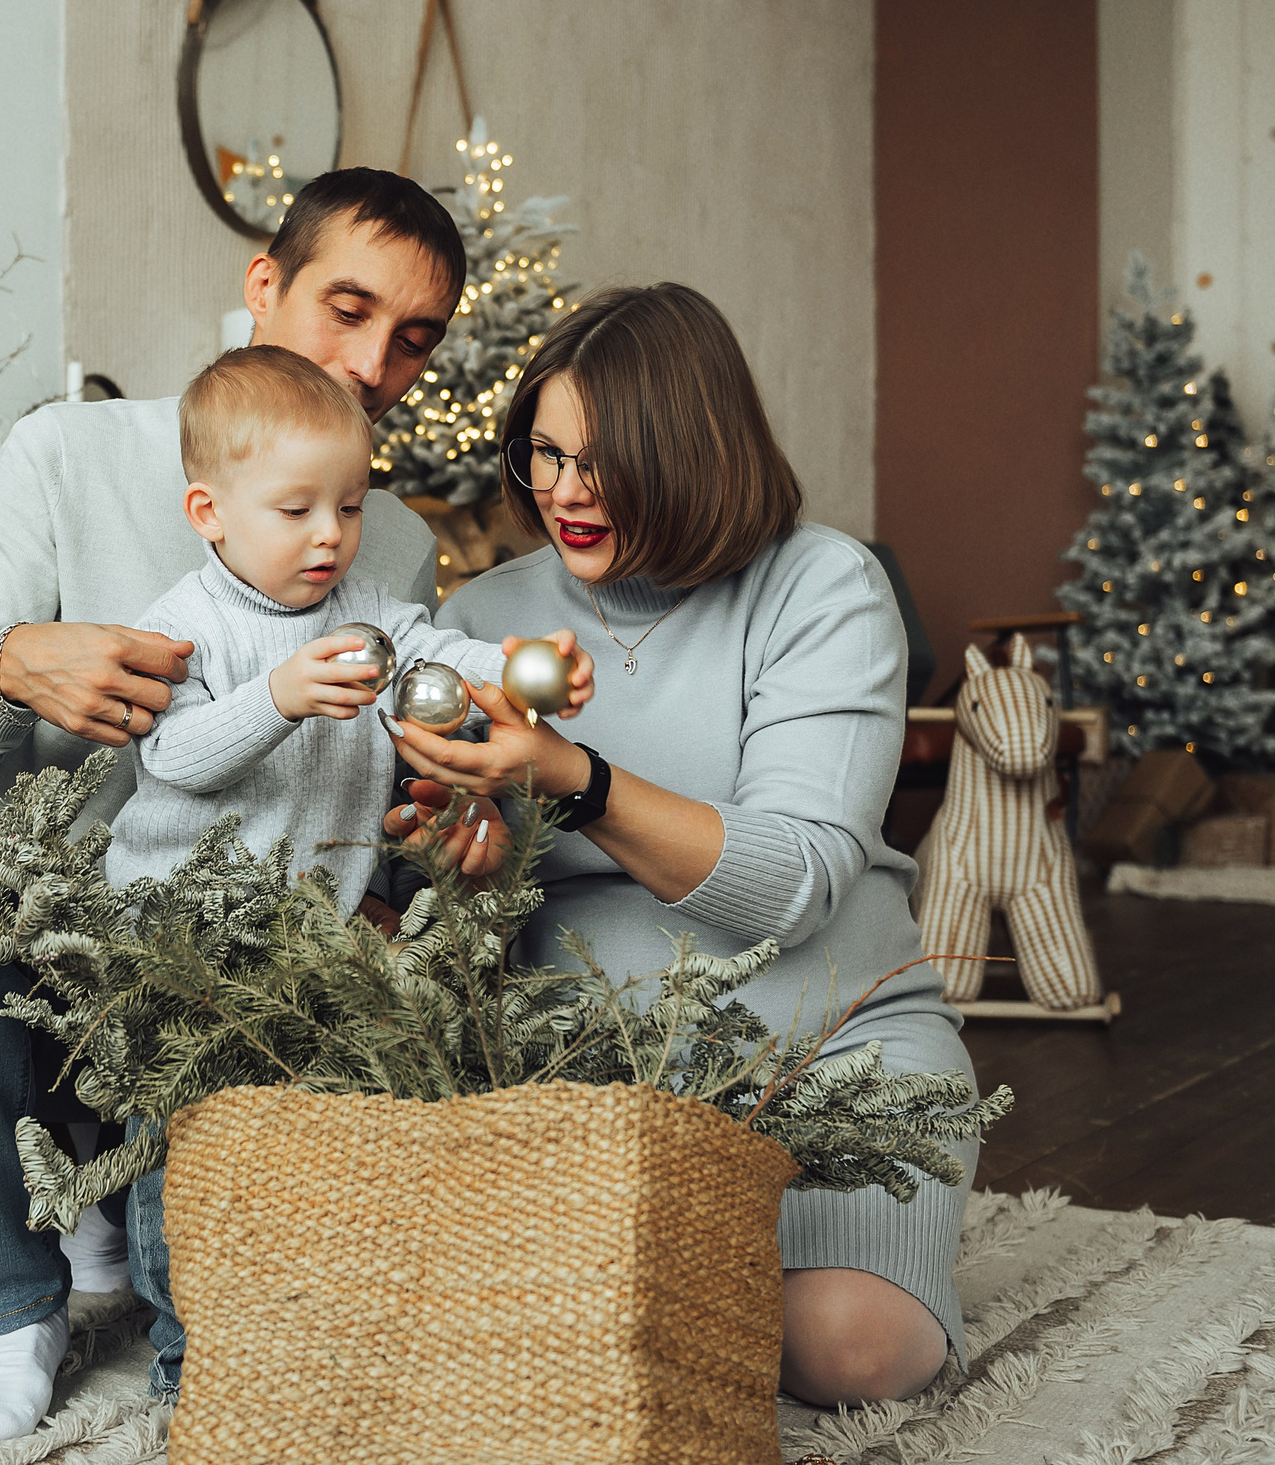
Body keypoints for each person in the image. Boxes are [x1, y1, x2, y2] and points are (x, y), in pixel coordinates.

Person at [0, 169, 495, 1440]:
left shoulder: (385, 537)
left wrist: (421, 834)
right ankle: (16, 1307)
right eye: (346, 307)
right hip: (70, 884)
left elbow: (399, 732)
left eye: (414, 338)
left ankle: (216, 1316)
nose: (374, 361)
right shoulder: (70, 453)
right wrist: (14, 661)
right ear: (262, 285)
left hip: (277, 915)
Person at [393, 282, 980, 1407]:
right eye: (543, 455)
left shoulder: (822, 585)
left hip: (826, 1050)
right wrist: (450, 851)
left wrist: (575, 776)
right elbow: (461, 903)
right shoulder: (481, 618)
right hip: (587, 1069)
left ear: (694, 448)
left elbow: (795, 883)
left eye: (602, 460)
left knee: (851, 1352)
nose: (564, 492)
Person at [109, 344, 592, 904]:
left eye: (349, 507)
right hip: (176, 920)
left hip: (322, 931)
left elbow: (444, 660)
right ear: (208, 513)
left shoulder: (371, 615)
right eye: (296, 511)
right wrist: (276, 699)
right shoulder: (180, 626)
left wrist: (526, 672)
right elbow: (172, 756)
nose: (331, 535)